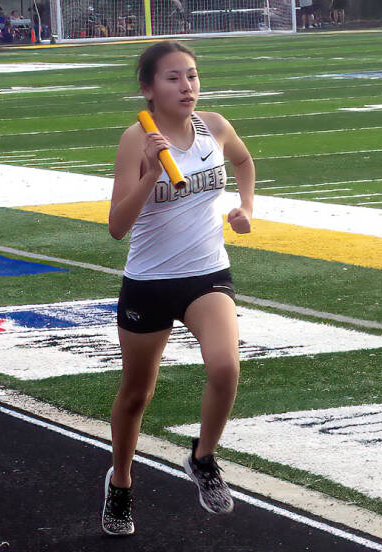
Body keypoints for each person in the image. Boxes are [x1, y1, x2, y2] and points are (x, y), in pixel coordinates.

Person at [102, 41, 254, 535]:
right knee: (136, 394)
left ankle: (203, 458)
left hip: (207, 274)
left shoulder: (215, 127)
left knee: (225, 366)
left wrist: (245, 208)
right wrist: (150, 172)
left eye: (191, 75)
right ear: (148, 89)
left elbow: (244, 162)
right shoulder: (135, 140)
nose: (187, 86)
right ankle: (120, 483)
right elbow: (117, 227)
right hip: (149, 281)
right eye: (173, 78)